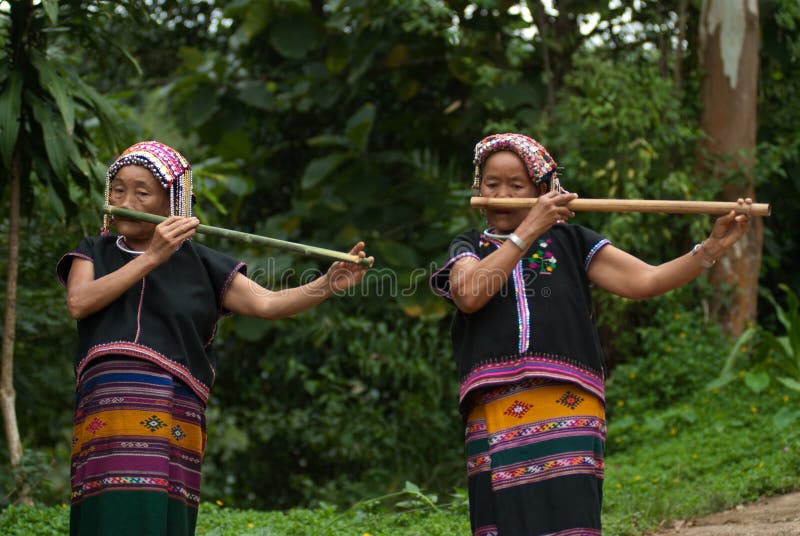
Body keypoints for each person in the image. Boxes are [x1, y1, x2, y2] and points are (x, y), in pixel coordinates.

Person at [429, 133, 751, 536]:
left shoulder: (572, 241)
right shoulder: (469, 247)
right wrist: (527, 230)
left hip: (568, 405)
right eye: (492, 184)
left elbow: (644, 281)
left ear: (540, 191)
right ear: (479, 188)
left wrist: (710, 248)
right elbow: (470, 295)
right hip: (496, 410)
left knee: (571, 521)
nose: (501, 194)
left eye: (516, 186)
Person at [56, 141, 372, 536]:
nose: (125, 198)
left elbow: (268, 304)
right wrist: (152, 256)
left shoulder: (202, 262)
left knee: (162, 511)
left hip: (175, 409)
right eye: (118, 188)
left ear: (172, 203)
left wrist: (327, 283)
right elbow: (79, 302)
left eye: (141, 191)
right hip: (110, 406)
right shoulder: (92, 251)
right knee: (109, 509)